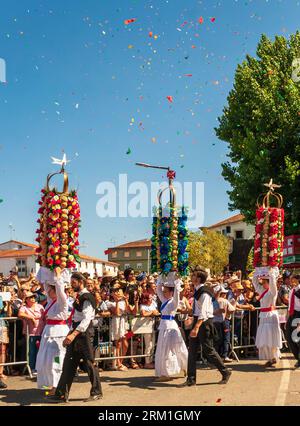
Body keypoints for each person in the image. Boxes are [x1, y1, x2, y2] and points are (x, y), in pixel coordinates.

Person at [47, 272, 102, 403]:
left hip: (84, 334)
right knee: (69, 363)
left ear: (80, 282)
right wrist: (71, 332)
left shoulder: (87, 297)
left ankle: (97, 392)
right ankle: (61, 394)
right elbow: (77, 318)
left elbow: (86, 319)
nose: (71, 285)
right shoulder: (80, 296)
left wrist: (73, 334)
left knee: (89, 363)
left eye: (74, 282)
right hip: (76, 331)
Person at [183, 268, 231, 387]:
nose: (191, 277)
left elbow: (203, 312)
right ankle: (191, 379)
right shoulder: (199, 291)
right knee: (192, 350)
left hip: (203, 323)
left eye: (193, 275)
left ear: (198, 279)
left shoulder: (204, 293)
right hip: (198, 321)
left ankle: (225, 371)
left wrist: (196, 327)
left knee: (208, 350)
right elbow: (198, 309)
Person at [35, 267, 70, 393]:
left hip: (58, 333)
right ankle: (49, 385)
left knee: (57, 360)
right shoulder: (51, 302)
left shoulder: (62, 301)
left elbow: (60, 289)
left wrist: (58, 275)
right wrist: (45, 271)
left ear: (55, 290)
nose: (47, 291)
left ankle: (57, 386)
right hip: (48, 332)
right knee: (45, 360)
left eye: (50, 289)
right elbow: (45, 286)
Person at [155, 273, 188, 382]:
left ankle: (185, 367)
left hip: (171, 328)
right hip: (164, 327)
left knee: (175, 349)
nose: (163, 293)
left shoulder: (174, 303)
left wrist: (176, 284)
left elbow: (177, 297)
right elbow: (158, 291)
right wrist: (160, 278)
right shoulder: (164, 301)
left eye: (166, 291)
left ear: (171, 292)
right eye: (163, 291)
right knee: (163, 349)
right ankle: (165, 372)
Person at [252, 268, 282, 367]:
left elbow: (273, 283)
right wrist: (256, 273)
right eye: (263, 281)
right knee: (265, 337)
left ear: (269, 282)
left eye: (264, 282)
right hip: (264, 316)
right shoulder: (262, 290)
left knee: (271, 336)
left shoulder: (272, 292)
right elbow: (255, 283)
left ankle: (274, 356)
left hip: (271, 315)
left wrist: (271, 274)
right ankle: (270, 357)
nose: (262, 283)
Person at [18, 292, 45, 375]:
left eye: (34, 297)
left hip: (41, 331)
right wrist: (31, 317)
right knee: (32, 351)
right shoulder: (24, 307)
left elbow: (45, 316)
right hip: (31, 333)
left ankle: (40, 367)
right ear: (26, 299)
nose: (33, 298)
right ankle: (32, 368)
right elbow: (20, 314)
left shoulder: (40, 306)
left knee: (41, 350)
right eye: (31, 297)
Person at [139, 292, 160, 369]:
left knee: (153, 344)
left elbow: (157, 312)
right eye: (150, 298)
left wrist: (154, 312)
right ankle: (147, 362)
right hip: (146, 327)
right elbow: (143, 314)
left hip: (153, 326)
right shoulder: (142, 305)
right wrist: (151, 312)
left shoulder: (153, 304)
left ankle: (151, 360)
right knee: (148, 345)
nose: (151, 299)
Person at [286, 275, 300, 368]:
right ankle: (297, 357)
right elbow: (290, 305)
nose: (292, 282)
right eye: (291, 280)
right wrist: (287, 318)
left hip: (298, 315)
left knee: (297, 338)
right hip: (291, 315)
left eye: (294, 280)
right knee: (289, 337)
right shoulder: (291, 290)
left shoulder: (299, 291)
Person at [0, 292, 12, 388]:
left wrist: (8, 304)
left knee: (2, 351)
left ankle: (0, 373)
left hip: (2, 326)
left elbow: (9, 314)